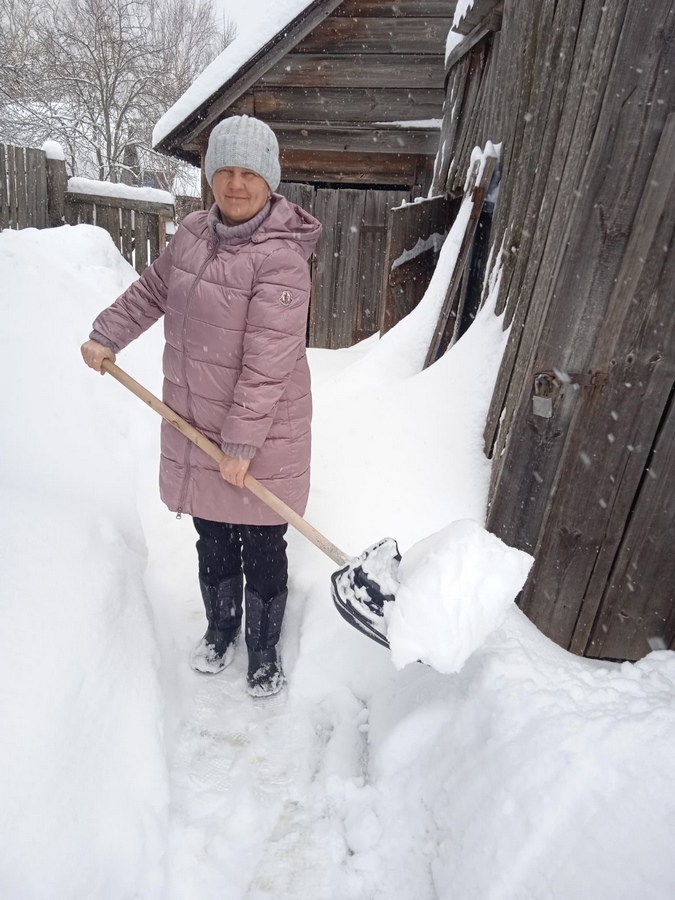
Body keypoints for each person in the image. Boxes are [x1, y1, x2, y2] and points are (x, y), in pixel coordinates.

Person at [81, 115, 322, 697]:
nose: (236, 185)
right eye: (225, 171)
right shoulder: (192, 233)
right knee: (213, 538)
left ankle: (263, 650)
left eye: (249, 174)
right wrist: (107, 334)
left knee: (262, 545)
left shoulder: (282, 258)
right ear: (211, 177)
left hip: (261, 436)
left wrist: (241, 445)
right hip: (195, 428)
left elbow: (268, 362)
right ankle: (221, 630)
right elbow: (152, 292)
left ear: (271, 182)